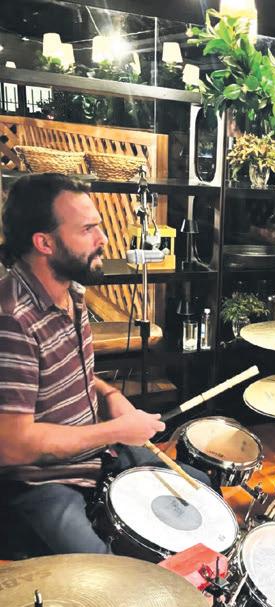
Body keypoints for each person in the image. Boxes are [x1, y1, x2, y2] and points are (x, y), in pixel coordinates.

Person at [0, 173, 209, 555]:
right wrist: (115, 430)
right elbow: (12, 446)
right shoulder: (12, 320)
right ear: (44, 243)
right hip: (42, 483)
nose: (104, 238)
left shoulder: (72, 293)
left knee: (201, 495)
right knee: (113, 577)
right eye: (88, 229)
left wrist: (110, 395)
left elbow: (65, 375)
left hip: (95, 455)